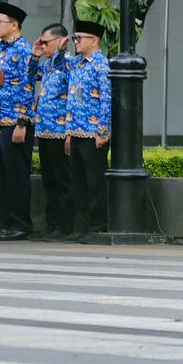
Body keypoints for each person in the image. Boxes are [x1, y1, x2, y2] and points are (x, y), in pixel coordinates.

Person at [0, 2, 34, 240]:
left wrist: (22, 122)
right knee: (1, 175)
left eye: (0, 22)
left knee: (16, 175)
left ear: (14, 25)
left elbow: (28, 86)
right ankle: (3, 222)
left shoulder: (24, 50)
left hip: (15, 122)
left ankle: (20, 223)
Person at [64, 20, 111, 241]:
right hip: (76, 132)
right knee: (78, 183)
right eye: (75, 38)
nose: (76, 42)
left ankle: (97, 225)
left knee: (95, 183)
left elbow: (106, 100)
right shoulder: (76, 64)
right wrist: (69, 133)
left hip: (93, 134)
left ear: (94, 40)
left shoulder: (101, 65)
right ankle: (80, 226)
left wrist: (102, 131)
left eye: (79, 38)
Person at [31, 23, 72, 241]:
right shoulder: (48, 66)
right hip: (45, 131)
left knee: (62, 181)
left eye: (46, 42)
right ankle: (52, 223)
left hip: (59, 131)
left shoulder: (68, 64)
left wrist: (62, 52)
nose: (42, 45)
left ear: (60, 41)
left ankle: (65, 226)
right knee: (49, 181)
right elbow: (29, 75)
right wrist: (36, 56)